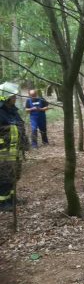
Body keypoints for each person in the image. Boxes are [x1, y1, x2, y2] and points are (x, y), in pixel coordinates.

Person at [0, 82, 28, 211]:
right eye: (13, 97)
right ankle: (3, 203)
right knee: (4, 177)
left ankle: (12, 198)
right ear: (6, 98)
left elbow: (19, 125)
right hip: (3, 152)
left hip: (14, 151)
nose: (15, 98)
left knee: (14, 175)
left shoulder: (13, 111)